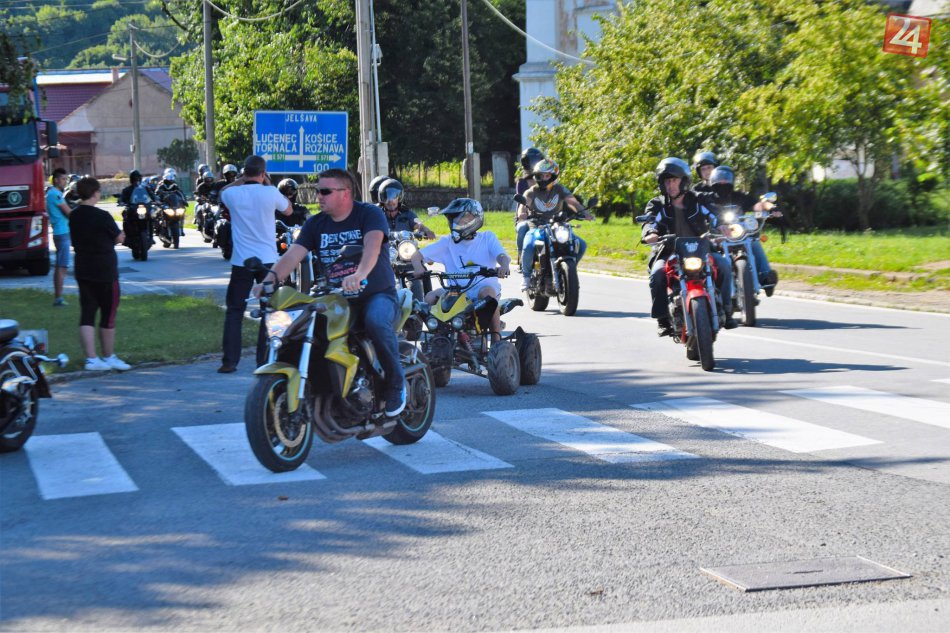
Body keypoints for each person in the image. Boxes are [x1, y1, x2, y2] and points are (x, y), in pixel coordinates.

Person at [251, 168, 408, 417]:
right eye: (317, 191)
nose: (319, 196)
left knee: (376, 321)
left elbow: (373, 247)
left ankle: (396, 384)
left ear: (345, 193)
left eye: (325, 191)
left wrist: (360, 274)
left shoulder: (369, 214)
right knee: (297, 325)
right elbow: (292, 255)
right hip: (335, 297)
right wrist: (268, 281)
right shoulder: (315, 223)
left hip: (376, 294)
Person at [641, 157, 736, 336]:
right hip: (669, 251)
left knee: (723, 265)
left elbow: (715, 214)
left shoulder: (699, 199)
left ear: (684, 181)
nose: (670, 185)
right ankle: (663, 319)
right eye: (667, 181)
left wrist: (723, 225)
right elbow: (650, 221)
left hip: (701, 248)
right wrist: (650, 233)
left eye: (674, 180)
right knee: (657, 273)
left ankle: (727, 310)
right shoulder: (658, 204)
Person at [217, 155, 294, 374]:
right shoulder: (270, 192)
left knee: (234, 310)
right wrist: (268, 184)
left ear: (244, 173)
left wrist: (240, 180)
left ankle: (229, 361)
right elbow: (288, 210)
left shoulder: (232, 193)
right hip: (267, 261)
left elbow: (223, 192)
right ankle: (265, 360)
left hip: (241, 261)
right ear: (263, 173)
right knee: (270, 310)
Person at [409, 198, 511, 340]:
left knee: (488, 294)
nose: (455, 222)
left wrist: (504, 266)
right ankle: (437, 338)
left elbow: (502, 256)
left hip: (481, 289)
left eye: (460, 218)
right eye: (452, 219)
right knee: (429, 297)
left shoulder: (487, 238)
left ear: (474, 218)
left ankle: (496, 339)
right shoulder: (447, 242)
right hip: (454, 292)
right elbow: (416, 256)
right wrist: (419, 268)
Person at [67, 177, 131, 371]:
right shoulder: (103, 216)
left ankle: (91, 359)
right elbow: (119, 237)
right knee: (108, 314)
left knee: (87, 313)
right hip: (105, 269)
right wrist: (118, 237)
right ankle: (109, 356)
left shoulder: (74, 215)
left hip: (83, 267)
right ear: (95, 193)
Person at [518, 158, 593, 291]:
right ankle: (526, 277)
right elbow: (523, 206)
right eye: (540, 175)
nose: (543, 178)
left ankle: (568, 271)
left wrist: (585, 213)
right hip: (537, 226)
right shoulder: (531, 192)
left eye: (546, 175)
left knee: (581, 244)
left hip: (557, 226)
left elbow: (573, 202)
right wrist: (522, 214)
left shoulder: (560, 189)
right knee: (529, 245)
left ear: (553, 176)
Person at [706, 165, 781, 294]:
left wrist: (771, 207)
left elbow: (758, 204)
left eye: (726, 179)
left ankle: (765, 277)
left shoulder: (739, 197)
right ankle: (708, 285)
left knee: (754, 242)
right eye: (720, 179)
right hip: (717, 237)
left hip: (739, 234)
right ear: (713, 181)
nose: (723, 182)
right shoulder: (708, 199)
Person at [514, 147, 545, 266]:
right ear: (525, 163)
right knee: (522, 229)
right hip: (527, 216)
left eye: (537, 161)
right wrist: (522, 214)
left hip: (544, 215)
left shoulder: (546, 179)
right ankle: (522, 259)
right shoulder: (522, 182)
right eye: (532, 161)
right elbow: (523, 201)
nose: (535, 164)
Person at [46, 168, 72, 306]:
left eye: (66, 179)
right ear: (56, 180)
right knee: (62, 266)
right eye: (63, 179)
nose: (65, 181)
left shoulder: (53, 193)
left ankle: (58, 297)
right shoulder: (55, 194)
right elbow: (68, 213)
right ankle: (58, 298)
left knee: (60, 265)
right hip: (62, 233)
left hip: (61, 232)